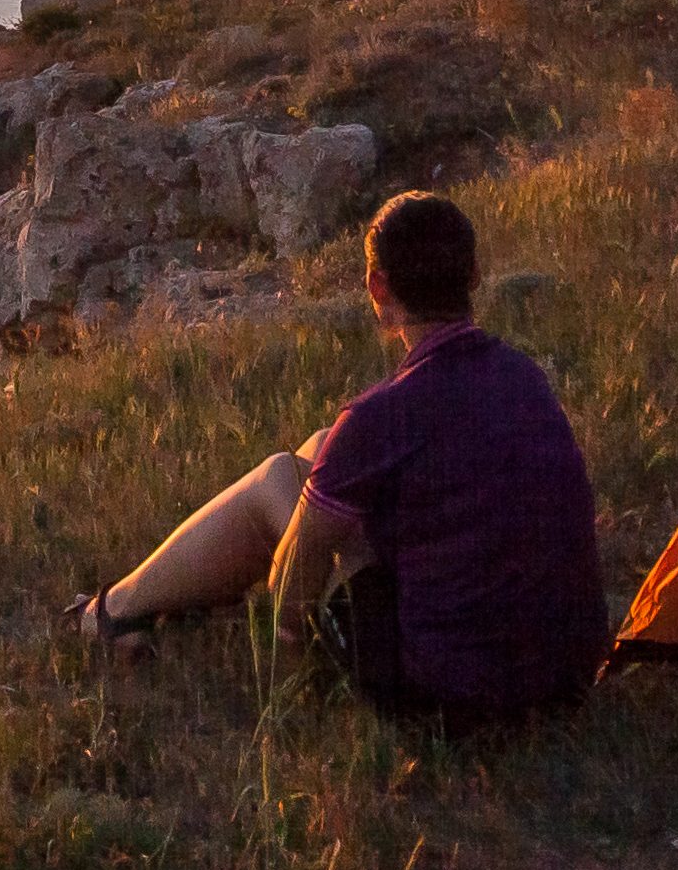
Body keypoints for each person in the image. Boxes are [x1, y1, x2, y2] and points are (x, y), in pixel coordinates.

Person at [63, 192, 609, 718]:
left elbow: (289, 585)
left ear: (377, 286)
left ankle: (116, 611)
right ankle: (158, 597)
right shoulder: (525, 380)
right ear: (474, 277)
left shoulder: (380, 417)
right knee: (324, 448)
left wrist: (290, 663)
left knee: (281, 478)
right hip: (568, 679)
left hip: (450, 698)